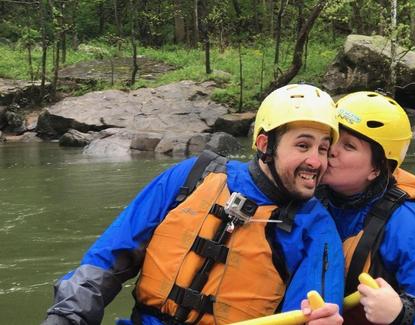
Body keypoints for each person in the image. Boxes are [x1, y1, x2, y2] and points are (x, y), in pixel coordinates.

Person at [41, 84, 344, 325]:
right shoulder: (193, 176)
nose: (315, 161)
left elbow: (310, 310)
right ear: (266, 145)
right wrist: (67, 316)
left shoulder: (316, 230)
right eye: (302, 145)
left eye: (323, 148)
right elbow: (109, 257)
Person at [317, 91, 415, 324]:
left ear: (377, 169)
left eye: (349, 146)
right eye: (333, 137)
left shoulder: (408, 222)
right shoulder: (310, 193)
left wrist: (402, 314)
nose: (331, 150)